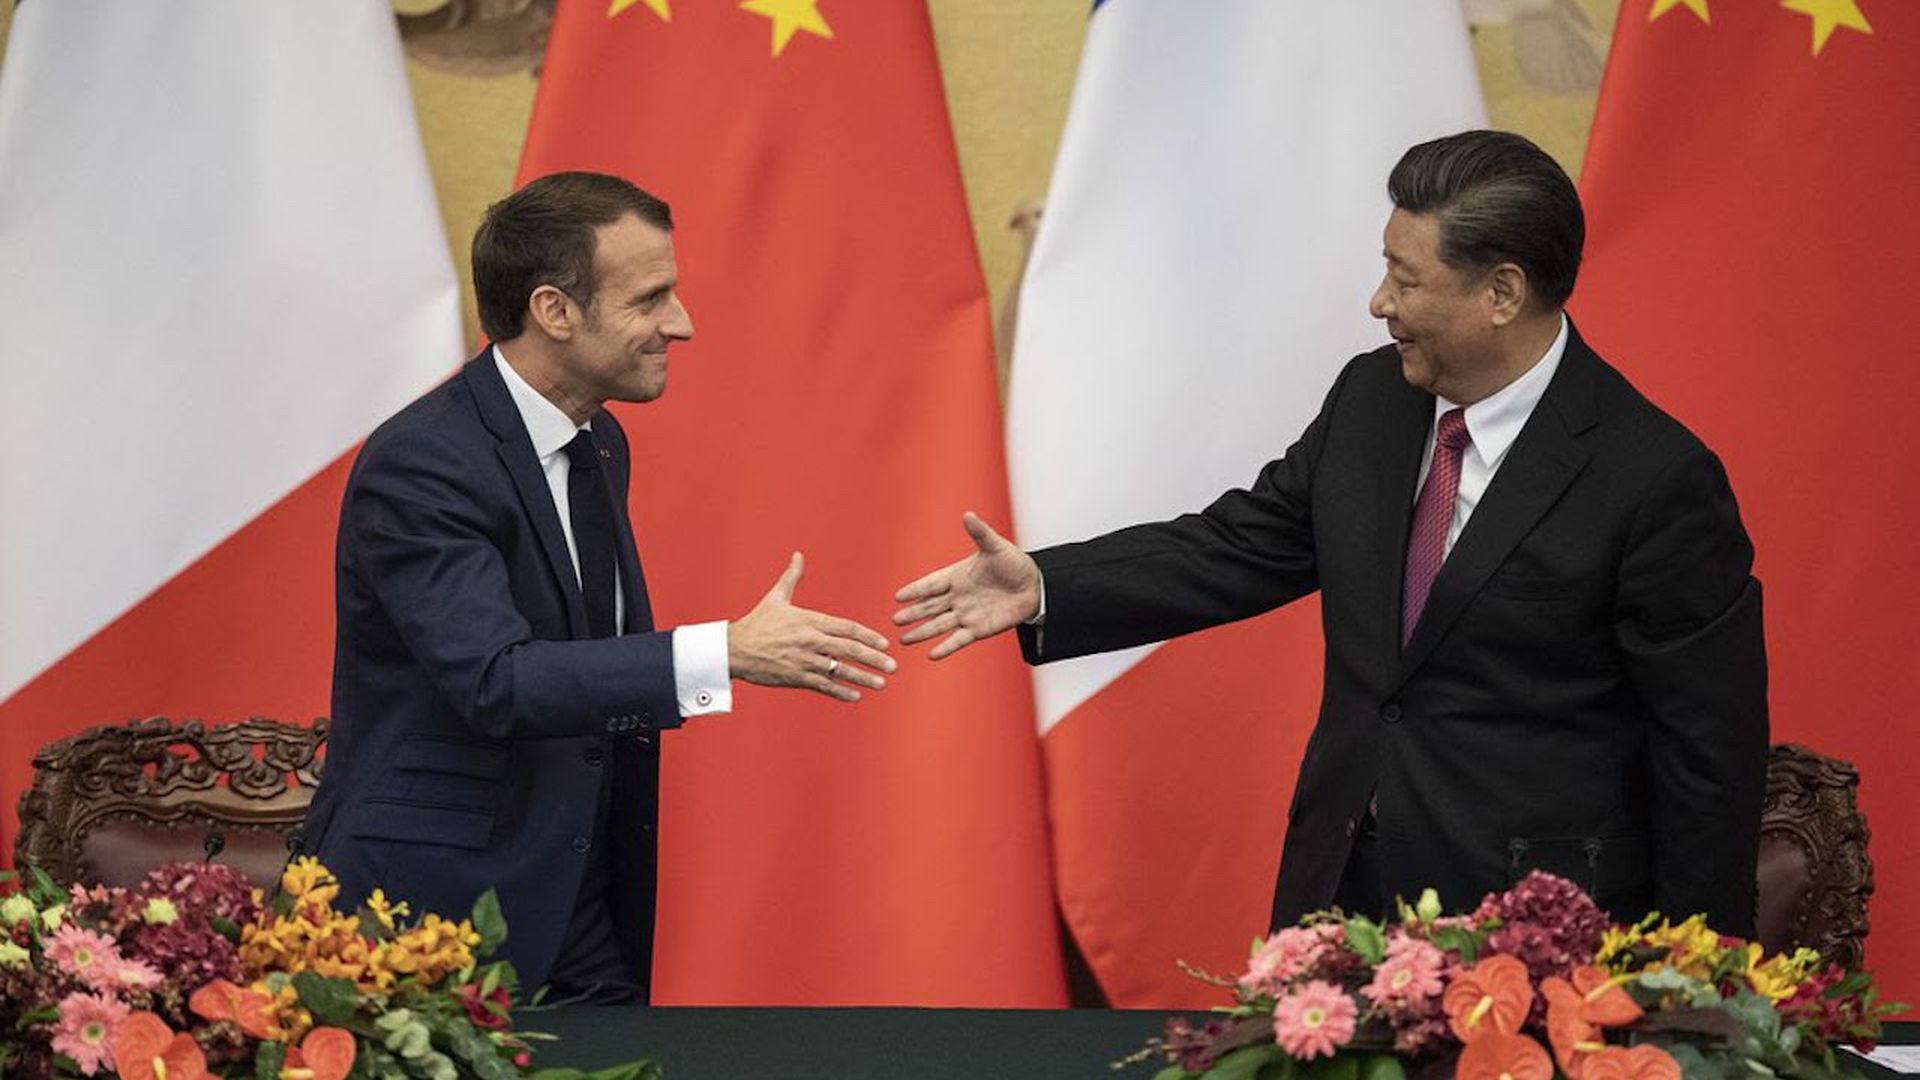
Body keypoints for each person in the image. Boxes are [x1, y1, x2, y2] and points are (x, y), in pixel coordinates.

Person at [894, 130, 1767, 936]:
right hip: (1339, 886)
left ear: (1502, 291)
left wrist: (1695, 986)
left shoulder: (1653, 479)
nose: (1379, 300)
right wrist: (1047, 584)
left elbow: (1707, 758)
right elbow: (1242, 543)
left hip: (1529, 920)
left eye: (1407, 277)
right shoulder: (1373, 400)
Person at [300, 171, 895, 1003]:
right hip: (428, 913)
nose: (680, 324)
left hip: (572, 890)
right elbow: (495, 681)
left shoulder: (600, 443)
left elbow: (584, 658)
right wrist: (724, 652)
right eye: (650, 299)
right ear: (555, 311)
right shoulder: (423, 465)